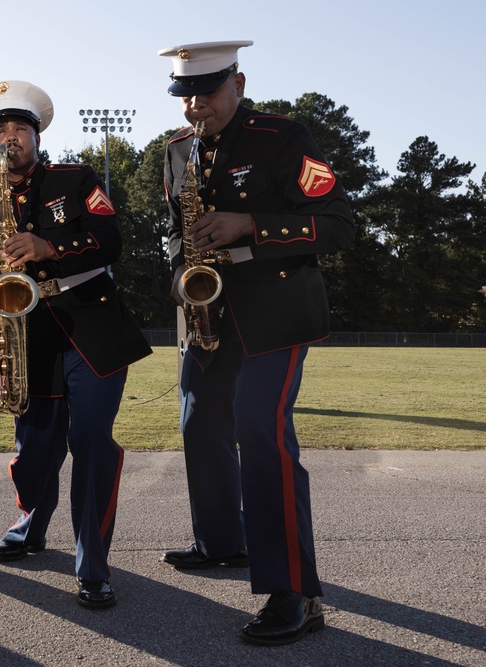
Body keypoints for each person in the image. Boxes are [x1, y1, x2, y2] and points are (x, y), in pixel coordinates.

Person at [157, 41, 355, 644]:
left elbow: (340, 225)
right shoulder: (176, 151)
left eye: (207, 92)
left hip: (277, 309)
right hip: (209, 308)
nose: (195, 107)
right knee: (198, 424)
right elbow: (174, 231)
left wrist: (252, 226)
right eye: (185, 95)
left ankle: (294, 592)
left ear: (238, 83)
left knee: (261, 435)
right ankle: (220, 543)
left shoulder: (283, 135)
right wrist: (180, 270)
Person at [0, 81, 151, 608]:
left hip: (91, 328)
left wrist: (49, 246)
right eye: (0, 131)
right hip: (27, 336)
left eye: (19, 129)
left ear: (36, 136)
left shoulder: (76, 179)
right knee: (35, 450)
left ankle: (91, 564)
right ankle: (31, 522)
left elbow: (112, 239)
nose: (10, 138)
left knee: (90, 442)